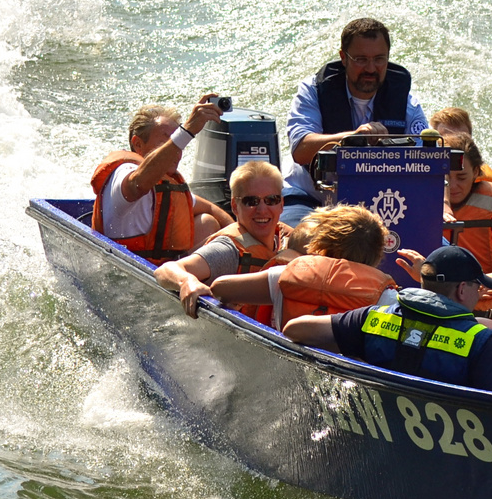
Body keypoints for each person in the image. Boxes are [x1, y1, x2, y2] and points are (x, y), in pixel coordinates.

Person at [283, 245, 492, 392]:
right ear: (461, 289)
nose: (479, 293)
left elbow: (295, 329)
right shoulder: (478, 341)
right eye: (476, 286)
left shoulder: (372, 318)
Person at [280, 18, 429, 225]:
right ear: (343, 57)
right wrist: (351, 139)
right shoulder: (313, 91)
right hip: (310, 198)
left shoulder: (406, 103)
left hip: (374, 202)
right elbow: (300, 149)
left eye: (379, 59)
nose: (370, 68)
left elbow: (427, 162)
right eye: (361, 59)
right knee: (297, 239)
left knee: (441, 250)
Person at [90, 97, 233, 263]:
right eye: (167, 141)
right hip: (123, 273)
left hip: (169, 274)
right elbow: (137, 184)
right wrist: (187, 131)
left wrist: (238, 236)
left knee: (207, 222)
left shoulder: (168, 183)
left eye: (179, 141)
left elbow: (209, 207)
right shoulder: (125, 172)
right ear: (138, 144)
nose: (177, 149)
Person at [209, 205, 395, 329]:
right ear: (377, 256)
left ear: (321, 243)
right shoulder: (387, 298)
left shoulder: (286, 276)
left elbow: (220, 288)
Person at [154, 161, 292, 323]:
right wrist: (187, 281)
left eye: (271, 200)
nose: (262, 209)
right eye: (251, 201)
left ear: (281, 204)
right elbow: (164, 271)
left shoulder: (288, 242)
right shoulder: (227, 251)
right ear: (234, 206)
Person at [441, 133, 492, 272]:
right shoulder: (421, 201)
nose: (453, 186)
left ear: (476, 171)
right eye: (445, 178)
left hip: (486, 284)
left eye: (461, 177)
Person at [428, 106, 492, 189]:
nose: (455, 146)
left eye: (462, 140)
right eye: (446, 140)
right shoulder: (420, 169)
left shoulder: (487, 178)